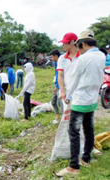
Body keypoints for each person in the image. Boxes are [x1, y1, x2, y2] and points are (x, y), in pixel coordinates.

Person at [56, 30, 105, 177]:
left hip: (80, 100)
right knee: (88, 128)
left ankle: (73, 166)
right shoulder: (102, 56)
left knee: (74, 132)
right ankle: (86, 158)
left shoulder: (83, 59)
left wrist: (68, 96)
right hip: (92, 99)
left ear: (82, 44)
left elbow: (75, 81)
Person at [51, 32, 83, 162]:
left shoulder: (83, 57)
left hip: (81, 93)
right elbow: (61, 76)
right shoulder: (62, 58)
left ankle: (83, 148)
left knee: (81, 120)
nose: (63, 45)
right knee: (69, 119)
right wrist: (62, 91)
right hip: (67, 95)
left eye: (65, 43)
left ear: (73, 42)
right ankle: (68, 147)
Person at [50, 50, 63, 124]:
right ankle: (57, 118)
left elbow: (60, 75)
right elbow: (56, 75)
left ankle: (64, 118)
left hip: (61, 86)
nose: (51, 58)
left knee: (60, 103)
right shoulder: (55, 63)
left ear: (56, 56)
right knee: (53, 102)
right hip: (57, 85)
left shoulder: (61, 63)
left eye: (52, 56)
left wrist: (57, 86)